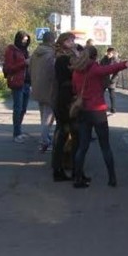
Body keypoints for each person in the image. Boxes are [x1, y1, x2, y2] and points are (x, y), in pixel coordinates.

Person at [71, 46, 128, 188]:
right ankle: (112, 178)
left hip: (83, 111)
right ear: (95, 56)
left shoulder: (76, 71)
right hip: (97, 111)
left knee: (82, 147)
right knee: (105, 146)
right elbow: (110, 69)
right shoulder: (95, 69)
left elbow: (74, 89)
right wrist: (125, 64)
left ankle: (77, 178)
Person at [51, 32, 79, 182]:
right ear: (63, 42)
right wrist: (76, 54)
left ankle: (61, 168)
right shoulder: (62, 58)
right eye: (70, 40)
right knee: (68, 134)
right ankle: (67, 168)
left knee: (65, 134)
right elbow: (76, 70)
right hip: (66, 98)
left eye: (74, 39)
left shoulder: (64, 57)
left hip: (64, 97)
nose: (73, 42)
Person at [29, 31, 57, 151]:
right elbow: (53, 71)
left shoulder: (36, 52)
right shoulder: (51, 54)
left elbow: (30, 69)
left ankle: (45, 139)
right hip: (49, 88)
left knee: (43, 115)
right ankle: (44, 140)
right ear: (52, 40)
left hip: (37, 87)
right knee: (49, 117)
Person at [4, 31, 31, 143]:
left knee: (23, 108)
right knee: (18, 108)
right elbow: (10, 67)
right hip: (17, 82)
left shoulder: (25, 51)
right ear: (18, 39)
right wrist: (24, 63)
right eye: (23, 40)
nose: (24, 43)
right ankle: (16, 133)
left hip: (26, 82)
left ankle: (18, 130)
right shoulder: (11, 50)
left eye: (26, 41)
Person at [99, 47, 118, 113]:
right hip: (104, 79)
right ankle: (100, 106)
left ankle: (113, 108)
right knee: (100, 93)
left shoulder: (115, 61)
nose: (108, 54)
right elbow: (100, 68)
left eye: (110, 53)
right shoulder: (103, 60)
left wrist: (113, 79)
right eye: (108, 53)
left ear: (113, 54)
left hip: (111, 79)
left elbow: (117, 71)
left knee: (112, 94)